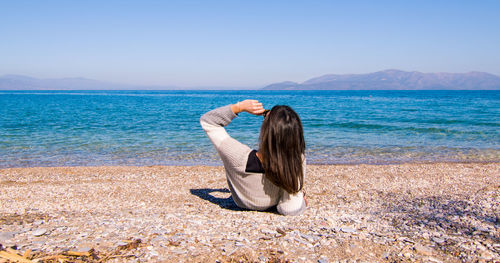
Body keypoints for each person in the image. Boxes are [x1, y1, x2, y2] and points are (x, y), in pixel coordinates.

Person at [200, 99, 306, 215]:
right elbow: (288, 209)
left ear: (266, 129)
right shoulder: (297, 159)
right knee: (295, 160)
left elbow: (208, 121)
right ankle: (295, 194)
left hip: (243, 203)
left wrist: (239, 107)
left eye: (265, 115)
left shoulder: (238, 156)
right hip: (276, 202)